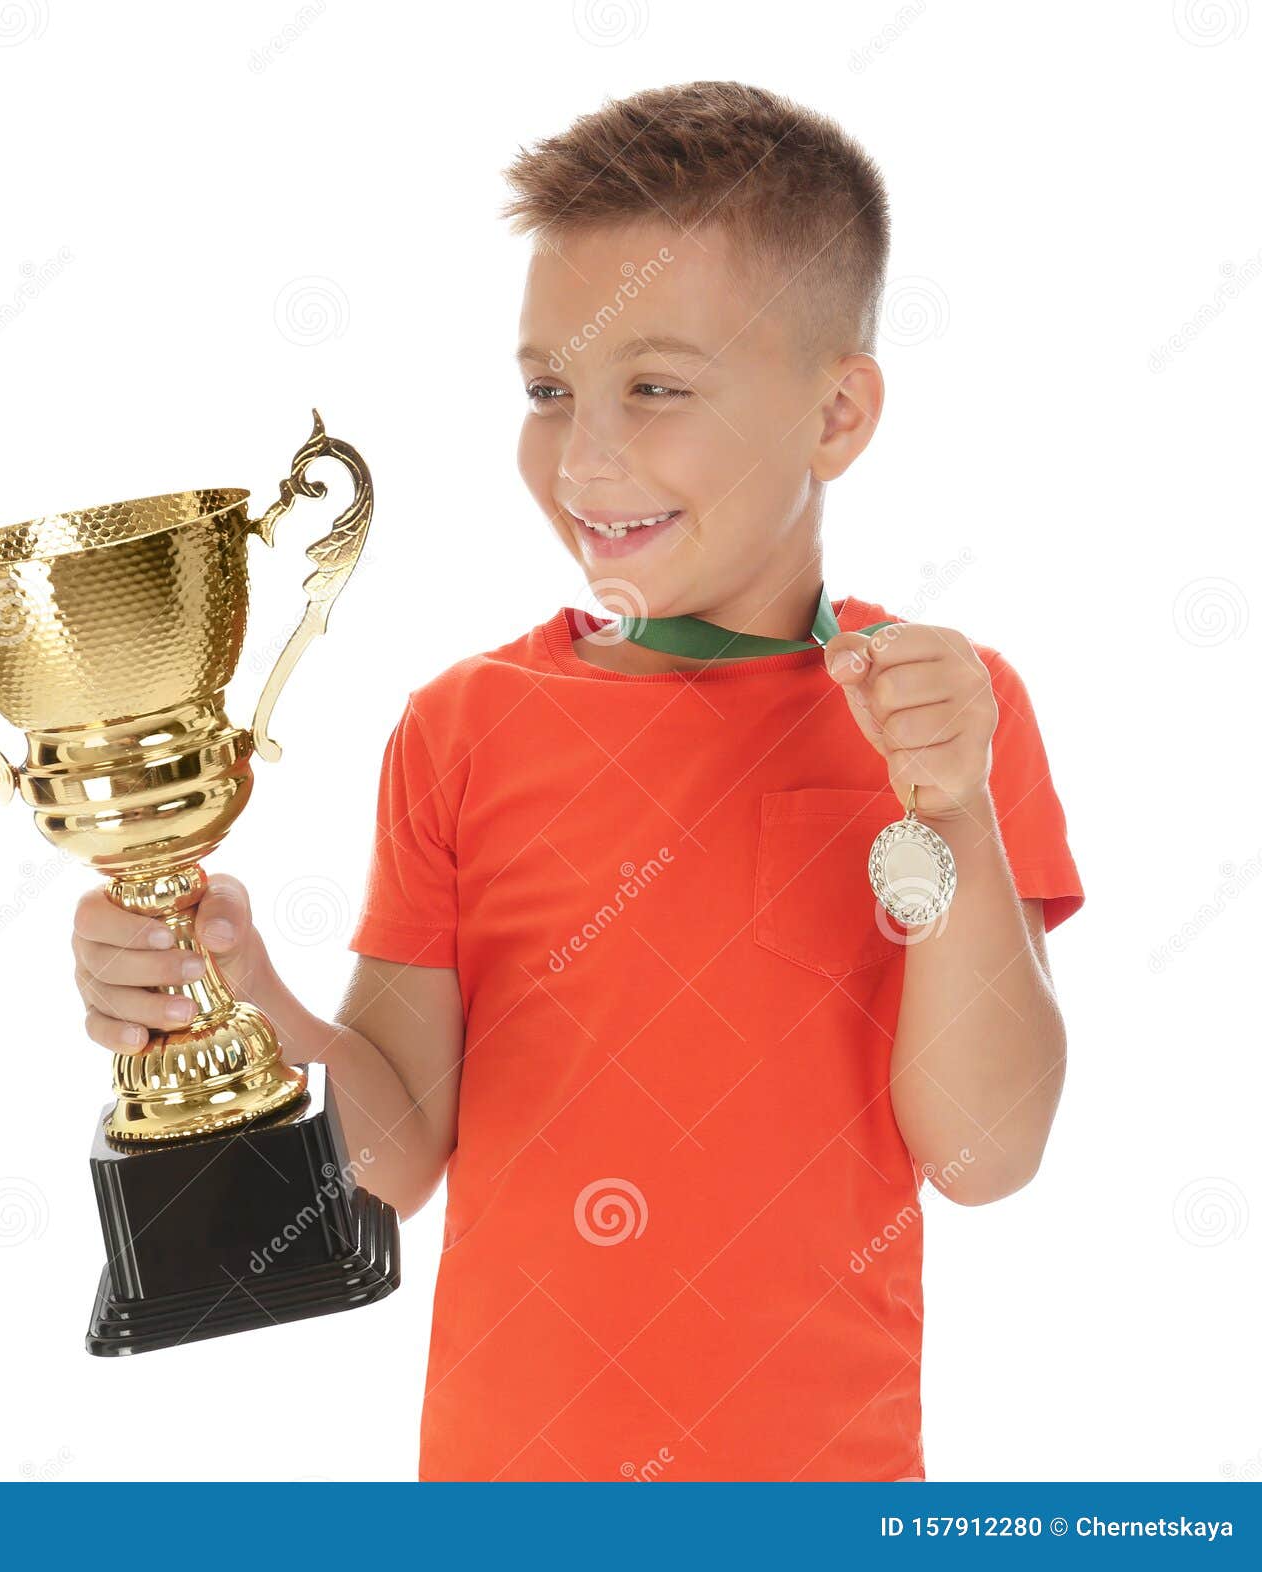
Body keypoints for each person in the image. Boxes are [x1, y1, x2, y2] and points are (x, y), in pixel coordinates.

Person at [70, 80, 1083, 1481]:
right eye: (548, 389)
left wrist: (954, 811)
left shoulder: (947, 719)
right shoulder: (464, 729)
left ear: (838, 414)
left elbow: (985, 1152)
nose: (584, 455)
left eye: (654, 388)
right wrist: (238, 1002)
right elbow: (398, 1155)